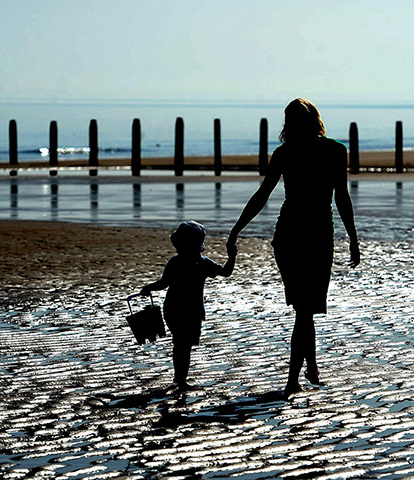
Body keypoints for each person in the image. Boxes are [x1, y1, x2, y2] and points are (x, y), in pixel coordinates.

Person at [227, 98, 360, 396]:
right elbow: (342, 198)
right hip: (314, 236)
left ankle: (310, 369)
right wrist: (352, 238)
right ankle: (293, 380)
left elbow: (262, 195)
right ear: (316, 119)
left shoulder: (285, 153)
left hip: (289, 235)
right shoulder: (335, 151)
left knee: (305, 308)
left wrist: (236, 230)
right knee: (305, 309)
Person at [140, 220, 237, 390]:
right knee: (184, 345)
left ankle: (179, 379)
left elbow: (163, 284)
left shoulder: (175, 262)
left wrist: (148, 287)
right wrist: (232, 257)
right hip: (192, 311)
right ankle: (180, 380)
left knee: (180, 344)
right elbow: (226, 272)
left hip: (172, 309)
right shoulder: (204, 263)